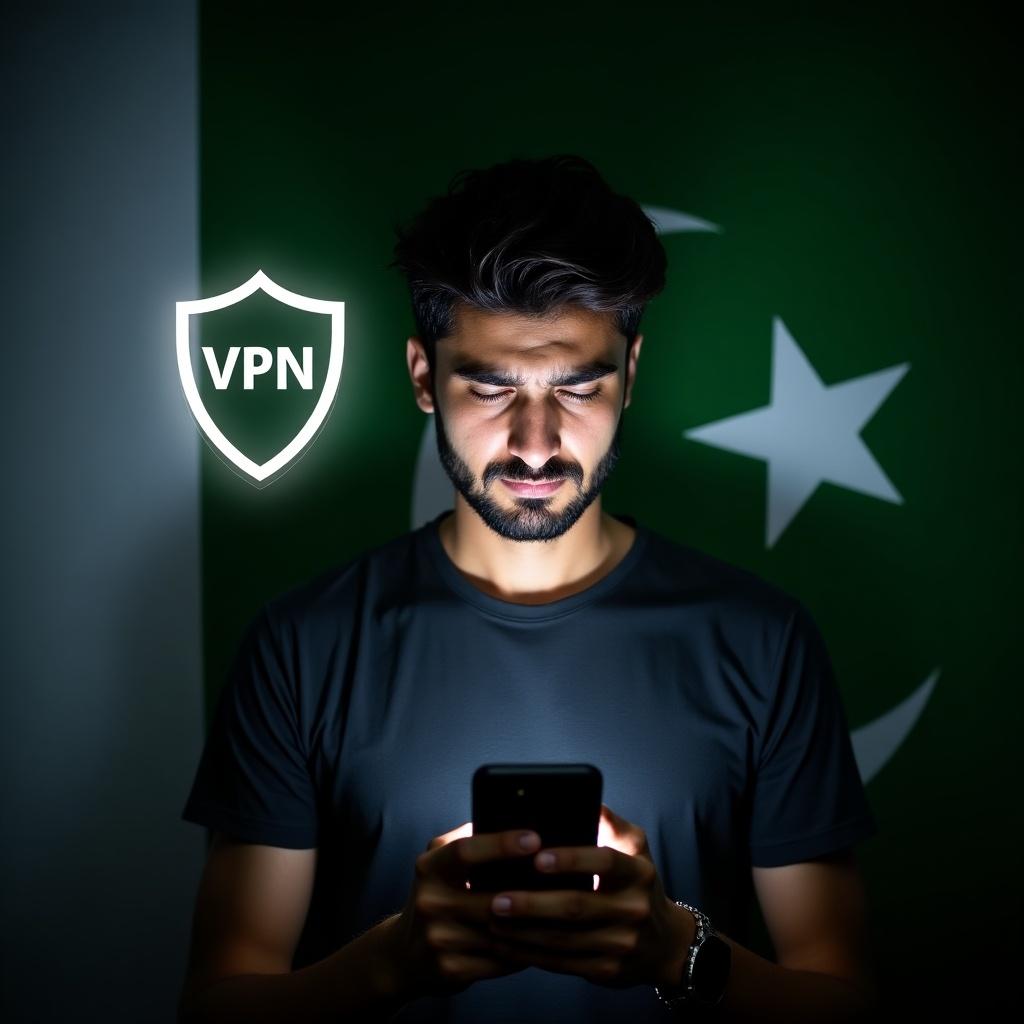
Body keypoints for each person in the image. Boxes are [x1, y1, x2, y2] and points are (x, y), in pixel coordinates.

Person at [177, 154, 879, 1022]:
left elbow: (843, 1000)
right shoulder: (303, 645)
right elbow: (218, 1002)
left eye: (579, 387)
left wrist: (676, 951)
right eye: (491, 387)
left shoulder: (762, 641)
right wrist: (392, 963)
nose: (537, 444)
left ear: (631, 373)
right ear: (424, 378)